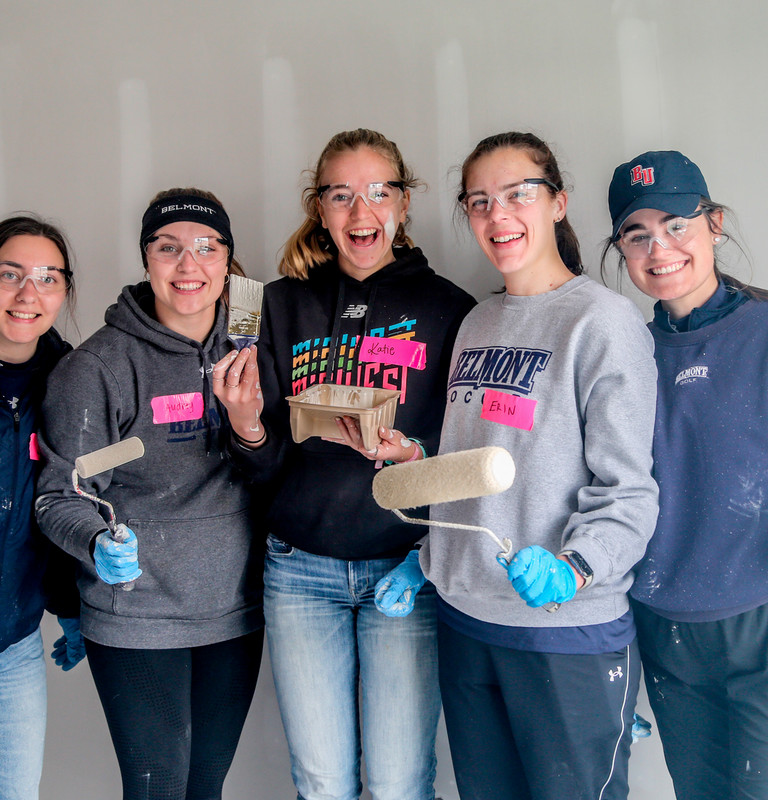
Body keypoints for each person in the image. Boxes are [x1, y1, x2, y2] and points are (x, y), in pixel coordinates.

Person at [393, 132, 659, 800]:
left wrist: (574, 568)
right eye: (479, 202)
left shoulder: (601, 322)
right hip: (465, 620)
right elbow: (469, 466)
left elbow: (630, 489)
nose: (497, 215)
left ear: (558, 203)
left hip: (563, 635)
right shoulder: (477, 323)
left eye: (518, 194)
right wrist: (428, 554)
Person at [217, 128, 475, 800]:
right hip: (300, 570)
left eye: (377, 192)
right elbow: (265, 463)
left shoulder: (451, 311)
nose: (361, 212)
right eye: (340, 196)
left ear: (405, 201)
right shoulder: (279, 305)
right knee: (323, 782)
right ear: (320, 209)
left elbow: (470, 459)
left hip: (406, 571)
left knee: (398, 782)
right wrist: (246, 427)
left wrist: (416, 458)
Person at [35, 189, 264, 800]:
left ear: (227, 260)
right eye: (168, 249)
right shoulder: (98, 367)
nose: (188, 266)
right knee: (158, 790)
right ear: (146, 260)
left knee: (204, 789)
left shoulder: (253, 346)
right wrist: (94, 541)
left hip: (235, 612)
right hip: (139, 615)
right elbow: (60, 495)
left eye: (206, 248)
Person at [603, 150, 768, 800]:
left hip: (755, 619)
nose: (659, 248)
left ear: (714, 224)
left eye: (675, 224)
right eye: (636, 233)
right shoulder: (628, 351)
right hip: (663, 625)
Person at [0, 215, 83, 800]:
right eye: (9, 274)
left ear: (63, 293)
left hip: (7, 650)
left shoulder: (69, 382)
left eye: (47, 278)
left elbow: (65, 501)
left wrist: (71, 605)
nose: (27, 294)